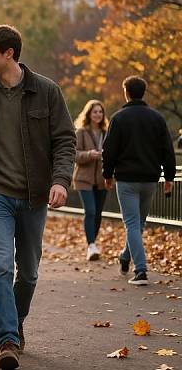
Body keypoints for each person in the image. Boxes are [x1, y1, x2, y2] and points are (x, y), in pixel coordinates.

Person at [0, 24, 76, 370]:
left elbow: (65, 141)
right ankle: (7, 340)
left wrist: (60, 181)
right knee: (0, 267)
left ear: (8, 53)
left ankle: (17, 318)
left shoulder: (46, 91)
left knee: (28, 273)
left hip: (34, 196)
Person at [102, 76, 175, 286]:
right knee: (138, 224)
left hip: (127, 180)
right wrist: (168, 177)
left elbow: (109, 151)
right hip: (150, 179)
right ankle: (125, 256)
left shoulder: (119, 118)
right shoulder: (157, 119)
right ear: (144, 92)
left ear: (126, 91)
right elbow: (167, 151)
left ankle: (141, 270)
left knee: (133, 224)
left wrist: (107, 175)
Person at [73, 100, 108, 261]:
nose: (98, 115)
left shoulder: (106, 133)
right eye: (95, 112)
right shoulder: (81, 132)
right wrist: (89, 154)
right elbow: (74, 155)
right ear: (89, 114)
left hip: (102, 180)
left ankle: (92, 244)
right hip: (83, 179)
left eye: (100, 112)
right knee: (91, 211)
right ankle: (91, 245)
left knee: (98, 213)